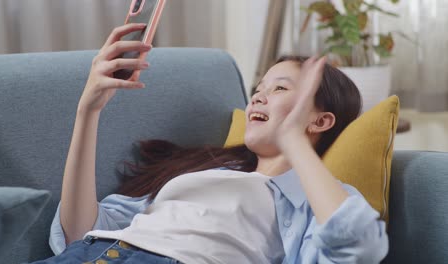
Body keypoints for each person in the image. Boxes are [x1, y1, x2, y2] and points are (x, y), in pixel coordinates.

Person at [31, 23, 388, 264]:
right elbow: (77, 232)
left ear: (321, 120)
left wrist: (294, 141)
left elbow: (361, 244)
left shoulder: (318, 201)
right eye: (257, 90)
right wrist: (87, 111)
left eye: (279, 89)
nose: (257, 99)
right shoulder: (207, 173)